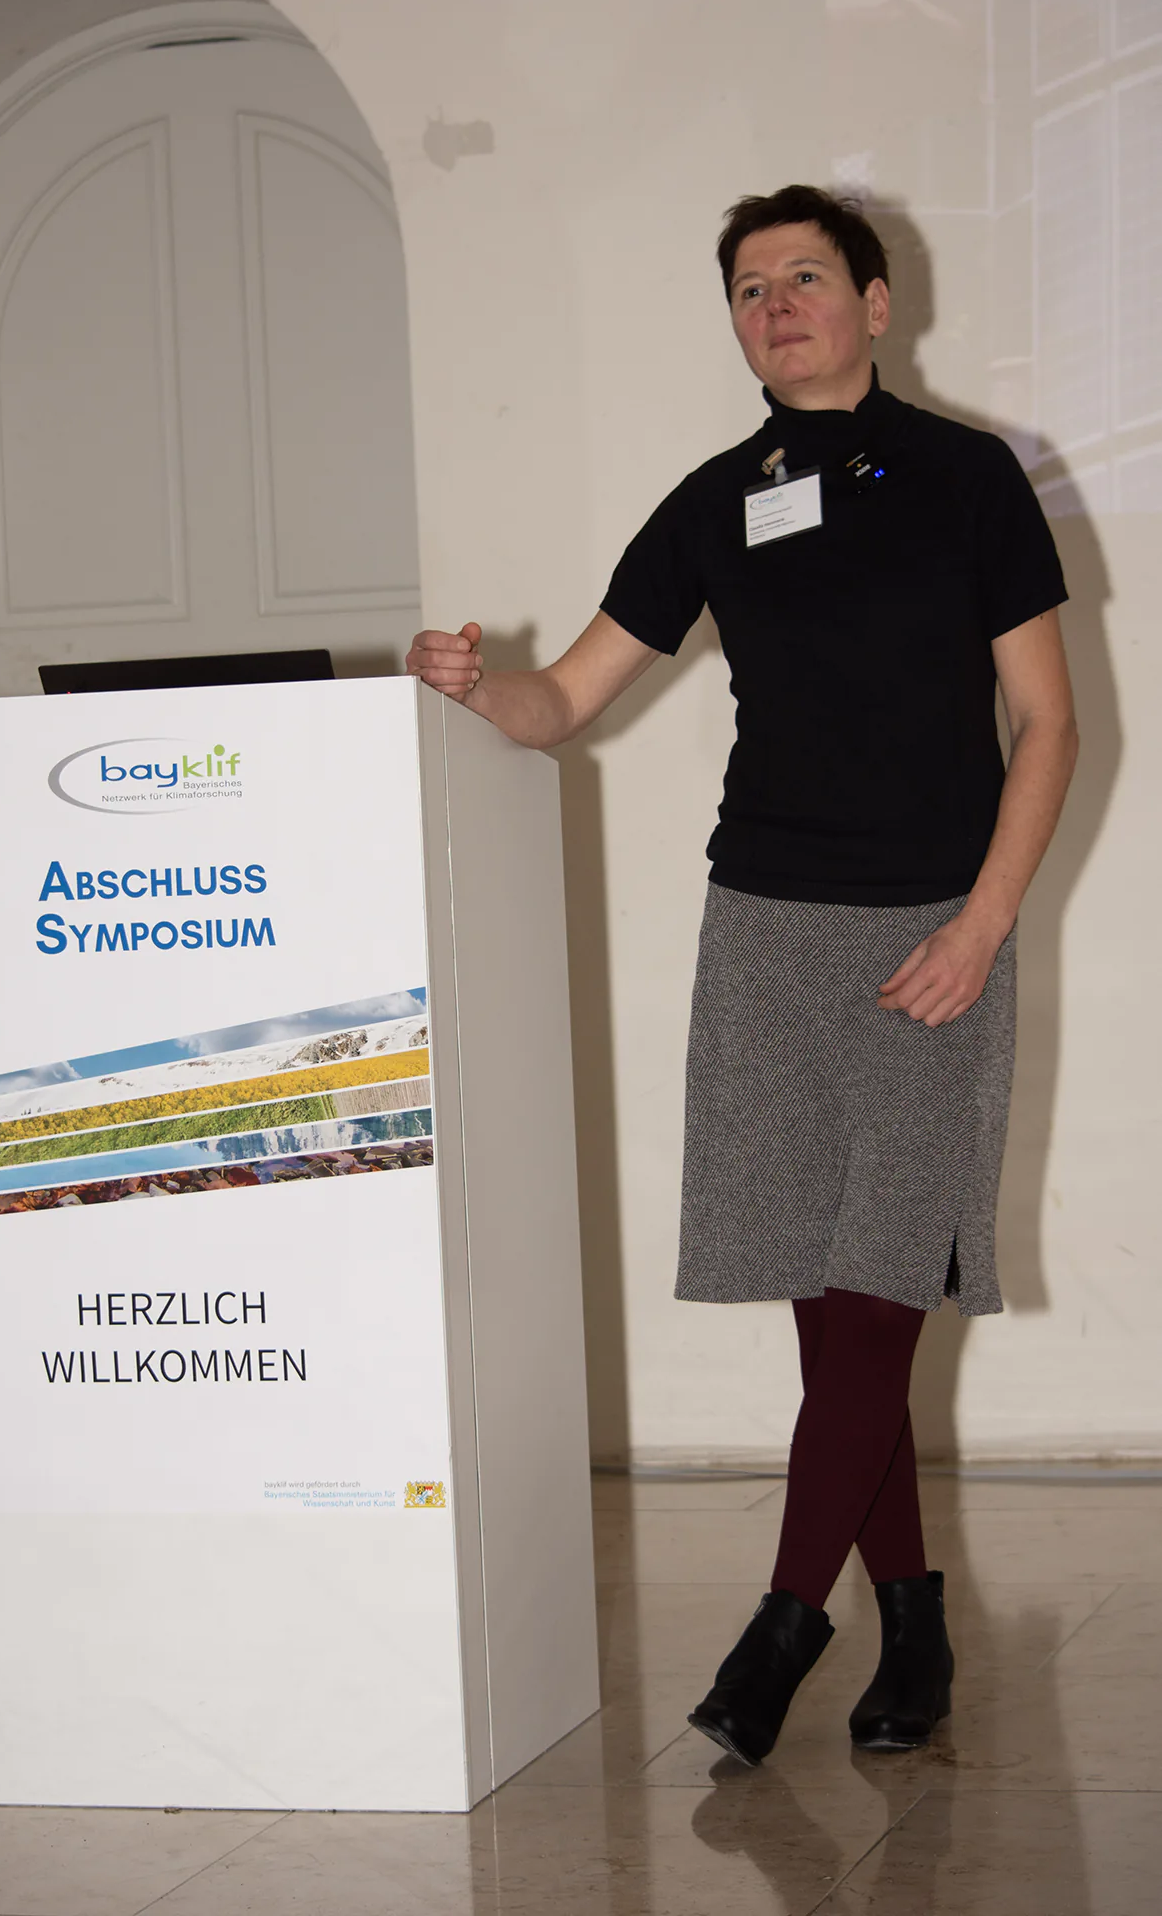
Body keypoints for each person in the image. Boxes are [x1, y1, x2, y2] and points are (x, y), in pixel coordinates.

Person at [407, 184, 1076, 1766]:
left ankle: (786, 1624)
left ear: (876, 303)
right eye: (750, 288)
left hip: (933, 930)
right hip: (766, 932)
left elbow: (1050, 722)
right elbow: (566, 698)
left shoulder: (971, 477)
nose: (776, 305)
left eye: (805, 277)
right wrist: (469, 686)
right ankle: (911, 1625)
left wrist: (983, 924)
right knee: (830, 1313)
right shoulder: (719, 501)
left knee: (880, 1293)